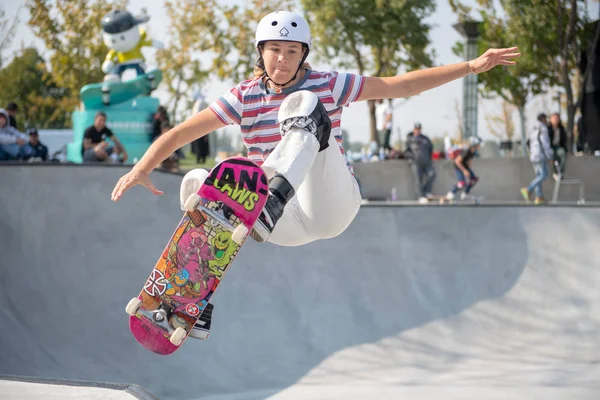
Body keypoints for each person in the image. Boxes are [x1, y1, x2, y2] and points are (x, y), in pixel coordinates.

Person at [111, 11, 520, 339]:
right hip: (283, 226)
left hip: (329, 204)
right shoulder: (244, 96)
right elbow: (183, 132)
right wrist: (141, 168)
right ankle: (191, 297)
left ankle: (273, 196)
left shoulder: (331, 83)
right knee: (203, 178)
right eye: (275, 50)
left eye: (292, 51)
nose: (283, 60)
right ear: (261, 52)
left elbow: (400, 87)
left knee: (305, 103)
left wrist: (469, 66)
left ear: (303, 54)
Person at [521, 113, 552, 204]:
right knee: (544, 175)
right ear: (543, 119)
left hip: (533, 155)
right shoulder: (543, 128)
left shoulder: (533, 128)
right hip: (540, 155)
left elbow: (528, 142)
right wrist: (549, 155)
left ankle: (539, 197)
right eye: (545, 119)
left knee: (538, 176)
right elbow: (545, 143)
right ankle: (528, 189)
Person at [405, 123, 436, 203]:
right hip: (415, 162)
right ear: (414, 129)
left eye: (419, 129)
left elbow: (430, 148)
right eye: (416, 129)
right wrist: (410, 159)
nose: (417, 130)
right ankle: (420, 196)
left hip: (426, 162)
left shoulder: (425, 139)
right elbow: (406, 151)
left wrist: (429, 158)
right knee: (418, 179)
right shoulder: (410, 139)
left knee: (432, 174)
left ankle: (426, 192)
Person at [446, 136, 482, 200]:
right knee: (462, 183)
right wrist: (464, 171)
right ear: (474, 145)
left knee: (473, 179)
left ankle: (465, 194)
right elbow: (457, 161)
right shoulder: (466, 151)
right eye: (478, 144)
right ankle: (451, 193)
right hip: (458, 166)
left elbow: (469, 161)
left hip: (465, 166)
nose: (479, 146)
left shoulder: (474, 152)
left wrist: (469, 172)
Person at [548, 112, 568, 180]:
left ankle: (561, 172)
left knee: (562, 153)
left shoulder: (561, 128)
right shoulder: (548, 128)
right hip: (550, 147)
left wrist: (565, 148)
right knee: (552, 155)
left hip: (558, 147)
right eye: (554, 118)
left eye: (557, 118)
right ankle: (555, 172)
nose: (555, 120)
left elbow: (564, 139)